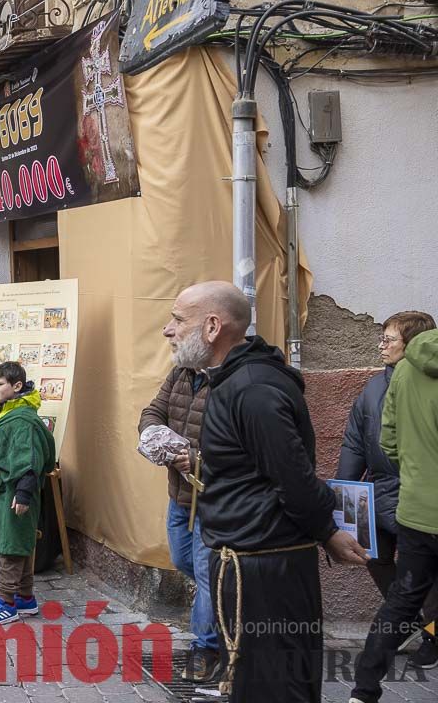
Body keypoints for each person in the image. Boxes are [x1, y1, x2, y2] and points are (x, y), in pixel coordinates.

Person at [178, 281, 365, 703]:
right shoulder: (233, 381)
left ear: (212, 326)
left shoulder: (253, 388)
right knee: (256, 683)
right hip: (250, 564)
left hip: (266, 570)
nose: (169, 331)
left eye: (177, 320)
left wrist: (326, 531)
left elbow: (292, 476)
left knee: (277, 687)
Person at [339, 311, 438, 673]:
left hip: (413, 492)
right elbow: (354, 439)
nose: (382, 345)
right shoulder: (373, 387)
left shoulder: (419, 381)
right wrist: (344, 488)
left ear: (412, 344)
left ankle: (432, 632)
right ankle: (410, 623)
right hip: (378, 490)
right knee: (374, 557)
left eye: (390, 339)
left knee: (423, 573)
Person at [139, 336, 220, 681]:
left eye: (180, 328)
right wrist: (152, 434)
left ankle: (207, 649)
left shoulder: (225, 380)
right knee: (182, 560)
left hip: (211, 498)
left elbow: (234, 440)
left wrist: (200, 458)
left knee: (204, 573)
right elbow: (153, 411)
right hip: (180, 494)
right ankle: (222, 606)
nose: (170, 335)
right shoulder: (181, 373)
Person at [0, 361, 55, 625]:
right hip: (2, 489)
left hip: (15, 491)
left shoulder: (24, 420)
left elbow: (29, 459)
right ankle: (25, 598)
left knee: (11, 546)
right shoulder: (4, 412)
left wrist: (24, 493)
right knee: (20, 542)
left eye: (0, 383)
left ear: (17, 386)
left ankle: (7, 603)